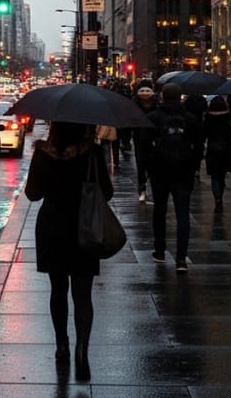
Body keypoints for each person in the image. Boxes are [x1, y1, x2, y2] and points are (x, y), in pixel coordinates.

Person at [24, 121, 113, 382]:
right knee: (83, 294)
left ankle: (61, 344)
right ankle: (82, 349)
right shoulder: (92, 153)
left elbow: (32, 194)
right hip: (84, 226)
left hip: (52, 225)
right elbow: (107, 192)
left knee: (58, 289)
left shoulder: (42, 152)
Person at [143, 82, 203, 271]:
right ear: (180, 97)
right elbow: (199, 146)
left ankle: (160, 251)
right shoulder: (190, 119)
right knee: (183, 214)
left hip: (160, 171)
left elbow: (144, 146)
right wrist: (193, 167)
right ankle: (181, 258)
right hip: (183, 171)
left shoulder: (153, 117)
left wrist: (149, 169)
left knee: (160, 211)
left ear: (161, 96)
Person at [203, 95, 231, 212]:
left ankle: (217, 198)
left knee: (214, 177)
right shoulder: (228, 116)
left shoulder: (208, 117)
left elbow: (204, 133)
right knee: (221, 175)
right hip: (226, 149)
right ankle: (219, 195)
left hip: (212, 149)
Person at [131, 85, 157, 202]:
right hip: (139, 140)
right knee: (141, 166)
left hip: (155, 141)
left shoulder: (157, 107)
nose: (145, 93)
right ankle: (142, 189)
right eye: (142, 90)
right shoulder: (133, 106)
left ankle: (151, 190)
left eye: (148, 90)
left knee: (154, 167)